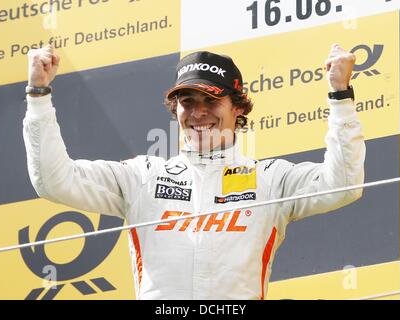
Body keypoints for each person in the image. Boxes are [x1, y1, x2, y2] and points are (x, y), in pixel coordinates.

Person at [23, 44, 365, 300]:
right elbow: (55, 182)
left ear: (238, 107)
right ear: (175, 110)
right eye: (187, 101)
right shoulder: (144, 175)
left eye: (211, 101)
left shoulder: (270, 178)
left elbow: (343, 185)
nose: (198, 113)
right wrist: (39, 95)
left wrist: (340, 96)